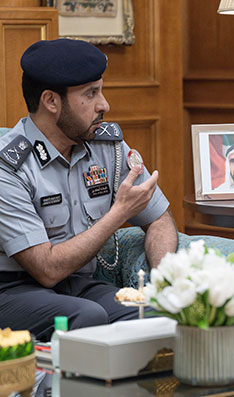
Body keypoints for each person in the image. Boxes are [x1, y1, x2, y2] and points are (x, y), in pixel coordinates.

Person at [0, 39, 179, 340]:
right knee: (87, 316)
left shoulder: (106, 146)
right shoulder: (10, 165)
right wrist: (119, 212)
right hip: (13, 290)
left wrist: (163, 280)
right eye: (91, 94)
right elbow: (47, 269)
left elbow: (159, 218)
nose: (104, 105)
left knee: (161, 311)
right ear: (51, 101)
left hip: (79, 285)